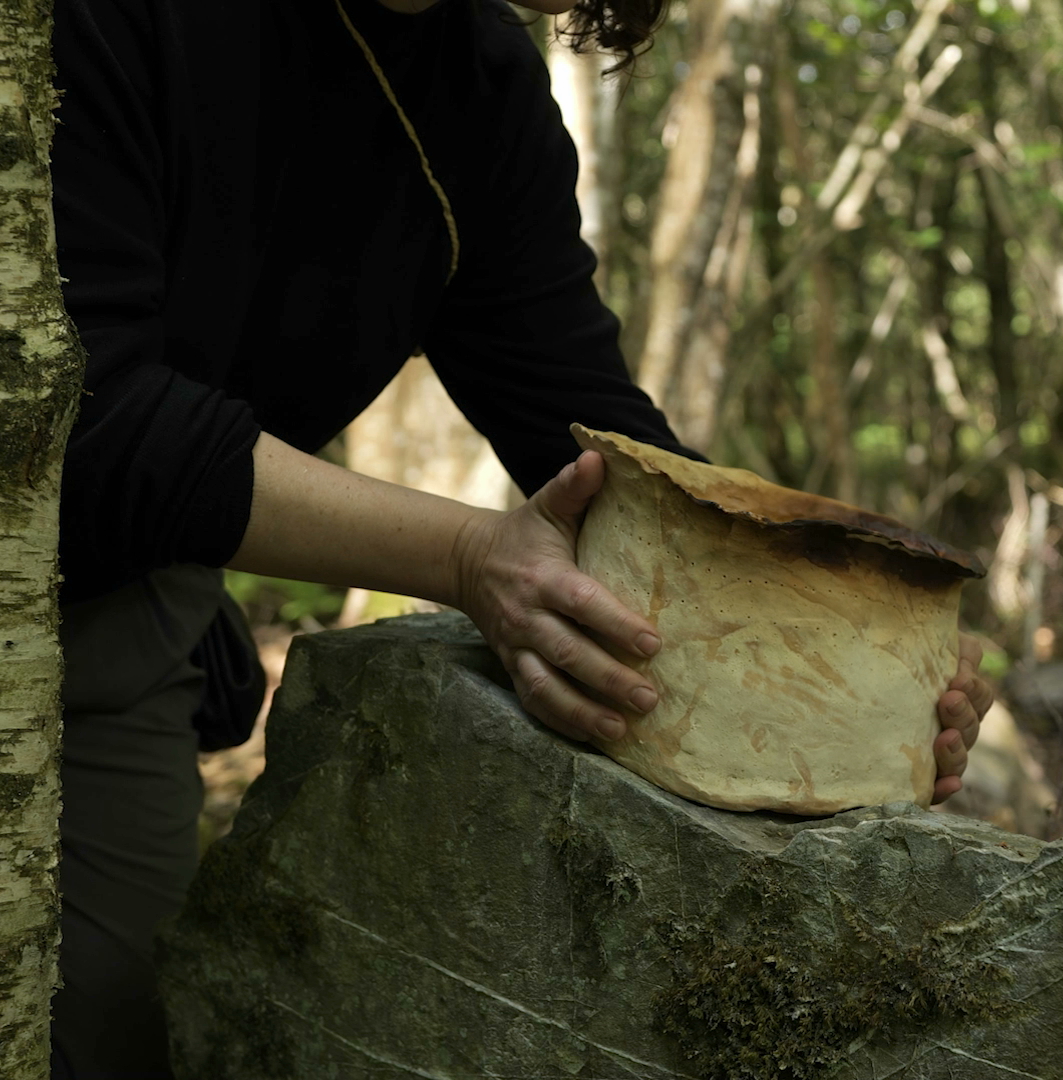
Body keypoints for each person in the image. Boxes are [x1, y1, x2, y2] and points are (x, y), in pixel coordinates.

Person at [48, 0, 995, 1074]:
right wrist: (467, 557)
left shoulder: (480, 92)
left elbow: (603, 453)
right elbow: (77, 415)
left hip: (121, 626)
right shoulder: (107, 22)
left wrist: (867, 661)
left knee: (102, 1033)